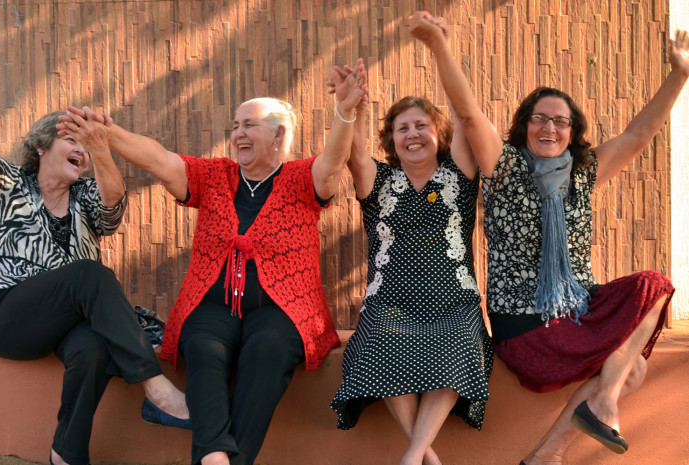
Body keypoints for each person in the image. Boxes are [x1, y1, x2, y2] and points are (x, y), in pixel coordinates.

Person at [59, 61, 368, 465]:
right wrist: (107, 133)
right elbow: (158, 159)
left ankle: (217, 459)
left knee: (268, 351)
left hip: (284, 309)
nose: (237, 134)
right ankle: (214, 456)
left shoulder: (302, 177)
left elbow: (333, 161)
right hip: (211, 304)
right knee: (203, 348)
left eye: (248, 125)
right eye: (235, 125)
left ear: (278, 134)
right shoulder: (214, 175)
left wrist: (344, 112)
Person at [421, 7, 689, 464]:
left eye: (561, 121)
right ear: (524, 125)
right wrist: (440, 47)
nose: (550, 127)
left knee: (648, 309)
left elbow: (638, 135)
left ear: (573, 131)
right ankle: (577, 427)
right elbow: (468, 114)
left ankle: (553, 448)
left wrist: (679, 75)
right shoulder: (504, 166)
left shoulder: (582, 174)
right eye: (539, 118)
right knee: (631, 369)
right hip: (526, 326)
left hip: (577, 313)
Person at [0, 13, 191, 465]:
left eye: (85, 142)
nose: (81, 148)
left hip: (64, 323)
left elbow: (112, 205)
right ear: (42, 146)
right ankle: (155, 388)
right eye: (70, 138)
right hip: (9, 322)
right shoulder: (5, 185)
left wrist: (101, 147)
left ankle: (66, 453)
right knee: (89, 274)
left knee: (92, 348)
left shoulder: (84, 197)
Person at [330, 15, 493, 465]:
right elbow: (353, 151)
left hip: (454, 302)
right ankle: (426, 457)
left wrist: (442, 49)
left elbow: (464, 112)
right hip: (390, 303)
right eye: (402, 128)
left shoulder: (458, 173)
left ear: (438, 134)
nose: (412, 134)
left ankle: (413, 456)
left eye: (421, 125)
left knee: (460, 342)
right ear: (392, 139)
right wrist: (352, 106)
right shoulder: (378, 181)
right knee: (377, 342)